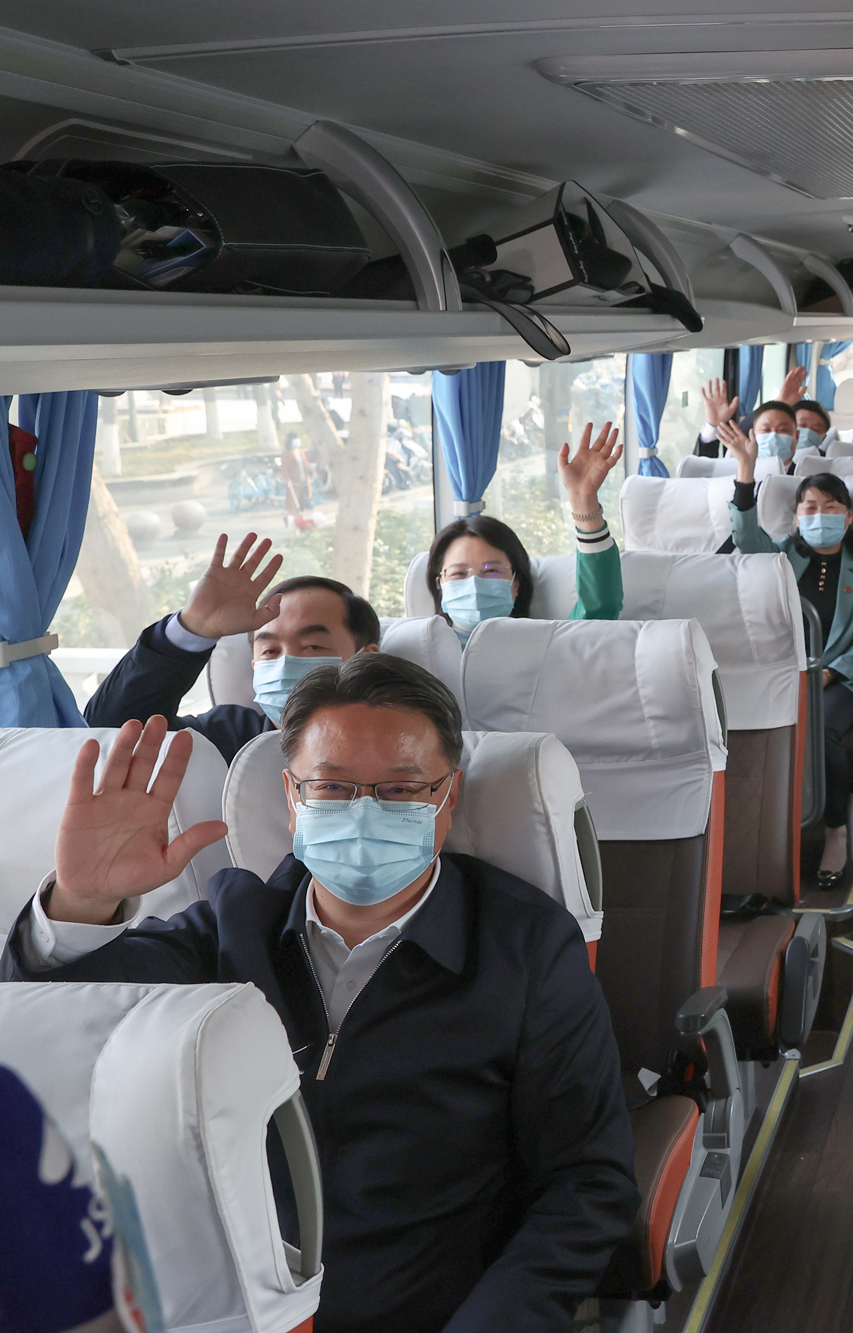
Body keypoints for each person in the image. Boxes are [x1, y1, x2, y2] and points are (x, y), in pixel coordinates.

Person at [6, 669, 636, 1333]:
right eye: (332, 787)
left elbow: (586, 1182)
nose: (363, 811)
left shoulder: (526, 948)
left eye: (399, 789)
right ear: (292, 796)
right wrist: (82, 903)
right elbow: (56, 1019)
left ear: (447, 796)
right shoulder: (232, 923)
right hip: (231, 1309)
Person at [721, 420, 853, 885]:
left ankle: (835, 830)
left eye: (831, 507)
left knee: (821, 726)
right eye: (810, 508)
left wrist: (829, 672)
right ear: (796, 517)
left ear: (849, 517)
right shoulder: (781, 556)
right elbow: (745, 539)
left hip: (843, 678)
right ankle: (759, 830)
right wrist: (745, 471)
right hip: (781, 673)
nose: (820, 515)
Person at [83, 536, 380, 763]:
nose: (286, 662)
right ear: (254, 666)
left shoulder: (400, 742)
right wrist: (193, 626)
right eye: (270, 652)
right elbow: (110, 731)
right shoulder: (226, 739)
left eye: (312, 646)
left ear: (367, 659)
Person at [426, 421, 627, 641]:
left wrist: (583, 502)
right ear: (440, 586)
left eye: (491, 571)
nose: (474, 585)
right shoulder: (415, 652)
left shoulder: (546, 647)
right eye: (458, 574)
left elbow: (598, 608)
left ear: (515, 585)